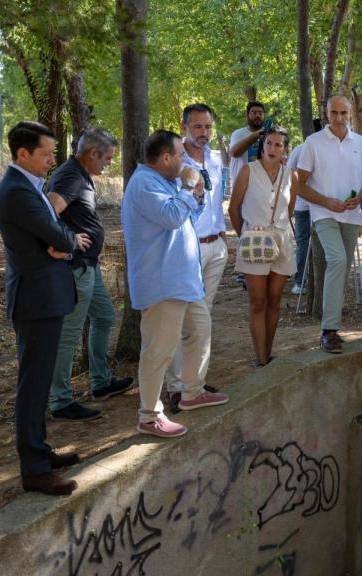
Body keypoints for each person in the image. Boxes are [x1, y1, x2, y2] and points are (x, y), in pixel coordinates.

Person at [0, 121, 90, 495]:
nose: (53, 160)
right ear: (22, 154)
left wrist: (60, 243)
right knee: (33, 385)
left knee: (38, 380)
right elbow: (57, 234)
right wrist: (64, 242)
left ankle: (40, 451)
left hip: (44, 294)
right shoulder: (16, 191)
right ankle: (34, 469)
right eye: (46, 153)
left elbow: (56, 235)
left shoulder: (28, 186)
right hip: (35, 298)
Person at [122, 130, 229, 438]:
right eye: (180, 154)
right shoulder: (143, 184)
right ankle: (149, 415)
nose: (184, 160)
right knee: (159, 350)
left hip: (183, 279)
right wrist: (187, 185)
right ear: (166, 157)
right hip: (162, 283)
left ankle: (192, 393)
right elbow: (170, 216)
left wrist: (195, 195)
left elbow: (185, 218)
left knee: (200, 330)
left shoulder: (165, 182)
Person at [46, 128, 134, 422]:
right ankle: (60, 400)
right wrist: (62, 245)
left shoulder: (81, 176)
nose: (109, 163)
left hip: (89, 266)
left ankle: (101, 382)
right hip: (76, 267)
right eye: (107, 157)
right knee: (69, 333)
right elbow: (47, 214)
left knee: (105, 315)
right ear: (92, 153)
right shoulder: (70, 176)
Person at [296, 94, 362, 354]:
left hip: (351, 216)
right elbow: (299, 184)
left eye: (344, 113)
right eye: (334, 113)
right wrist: (325, 202)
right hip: (323, 214)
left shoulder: (361, 143)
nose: (339, 118)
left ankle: (332, 329)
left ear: (350, 114)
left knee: (341, 269)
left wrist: (358, 200)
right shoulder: (312, 143)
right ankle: (328, 330)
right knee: (338, 260)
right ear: (326, 113)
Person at [166, 103, 227, 407]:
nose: (204, 133)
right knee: (183, 317)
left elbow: (219, 198)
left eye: (208, 127)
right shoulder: (176, 162)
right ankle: (177, 386)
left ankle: (193, 382)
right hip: (189, 248)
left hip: (216, 244)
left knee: (203, 314)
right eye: (198, 127)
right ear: (185, 126)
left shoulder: (216, 158)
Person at [228, 126, 296, 366]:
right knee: (257, 301)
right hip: (254, 240)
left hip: (281, 240)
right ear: (262, 145)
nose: (273, 148)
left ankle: (268, 353)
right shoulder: (248, 171)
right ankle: (261, 360)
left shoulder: (291, 175)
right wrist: (244, 236)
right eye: (269, 143)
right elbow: (233, 208)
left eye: (279, 145)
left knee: (275, 299)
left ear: (285, 149)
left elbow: (289, 211)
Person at [290, 120, 322, 296]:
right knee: (305, 243)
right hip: (306, 206)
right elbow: (291, 177)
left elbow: (289, 174)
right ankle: (301, 281)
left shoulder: (299, 149)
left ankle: (303, 281)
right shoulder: (304, 149)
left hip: (315, 205)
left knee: (305, 243)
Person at [229, 101, 267, 190]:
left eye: (260, 113)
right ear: (247, 115)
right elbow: (234, 153)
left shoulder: (269, 134)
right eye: (254, 113)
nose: (258, 115)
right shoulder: (238, 134)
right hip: (241, 186)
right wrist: (254, 136)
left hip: (261, 186)